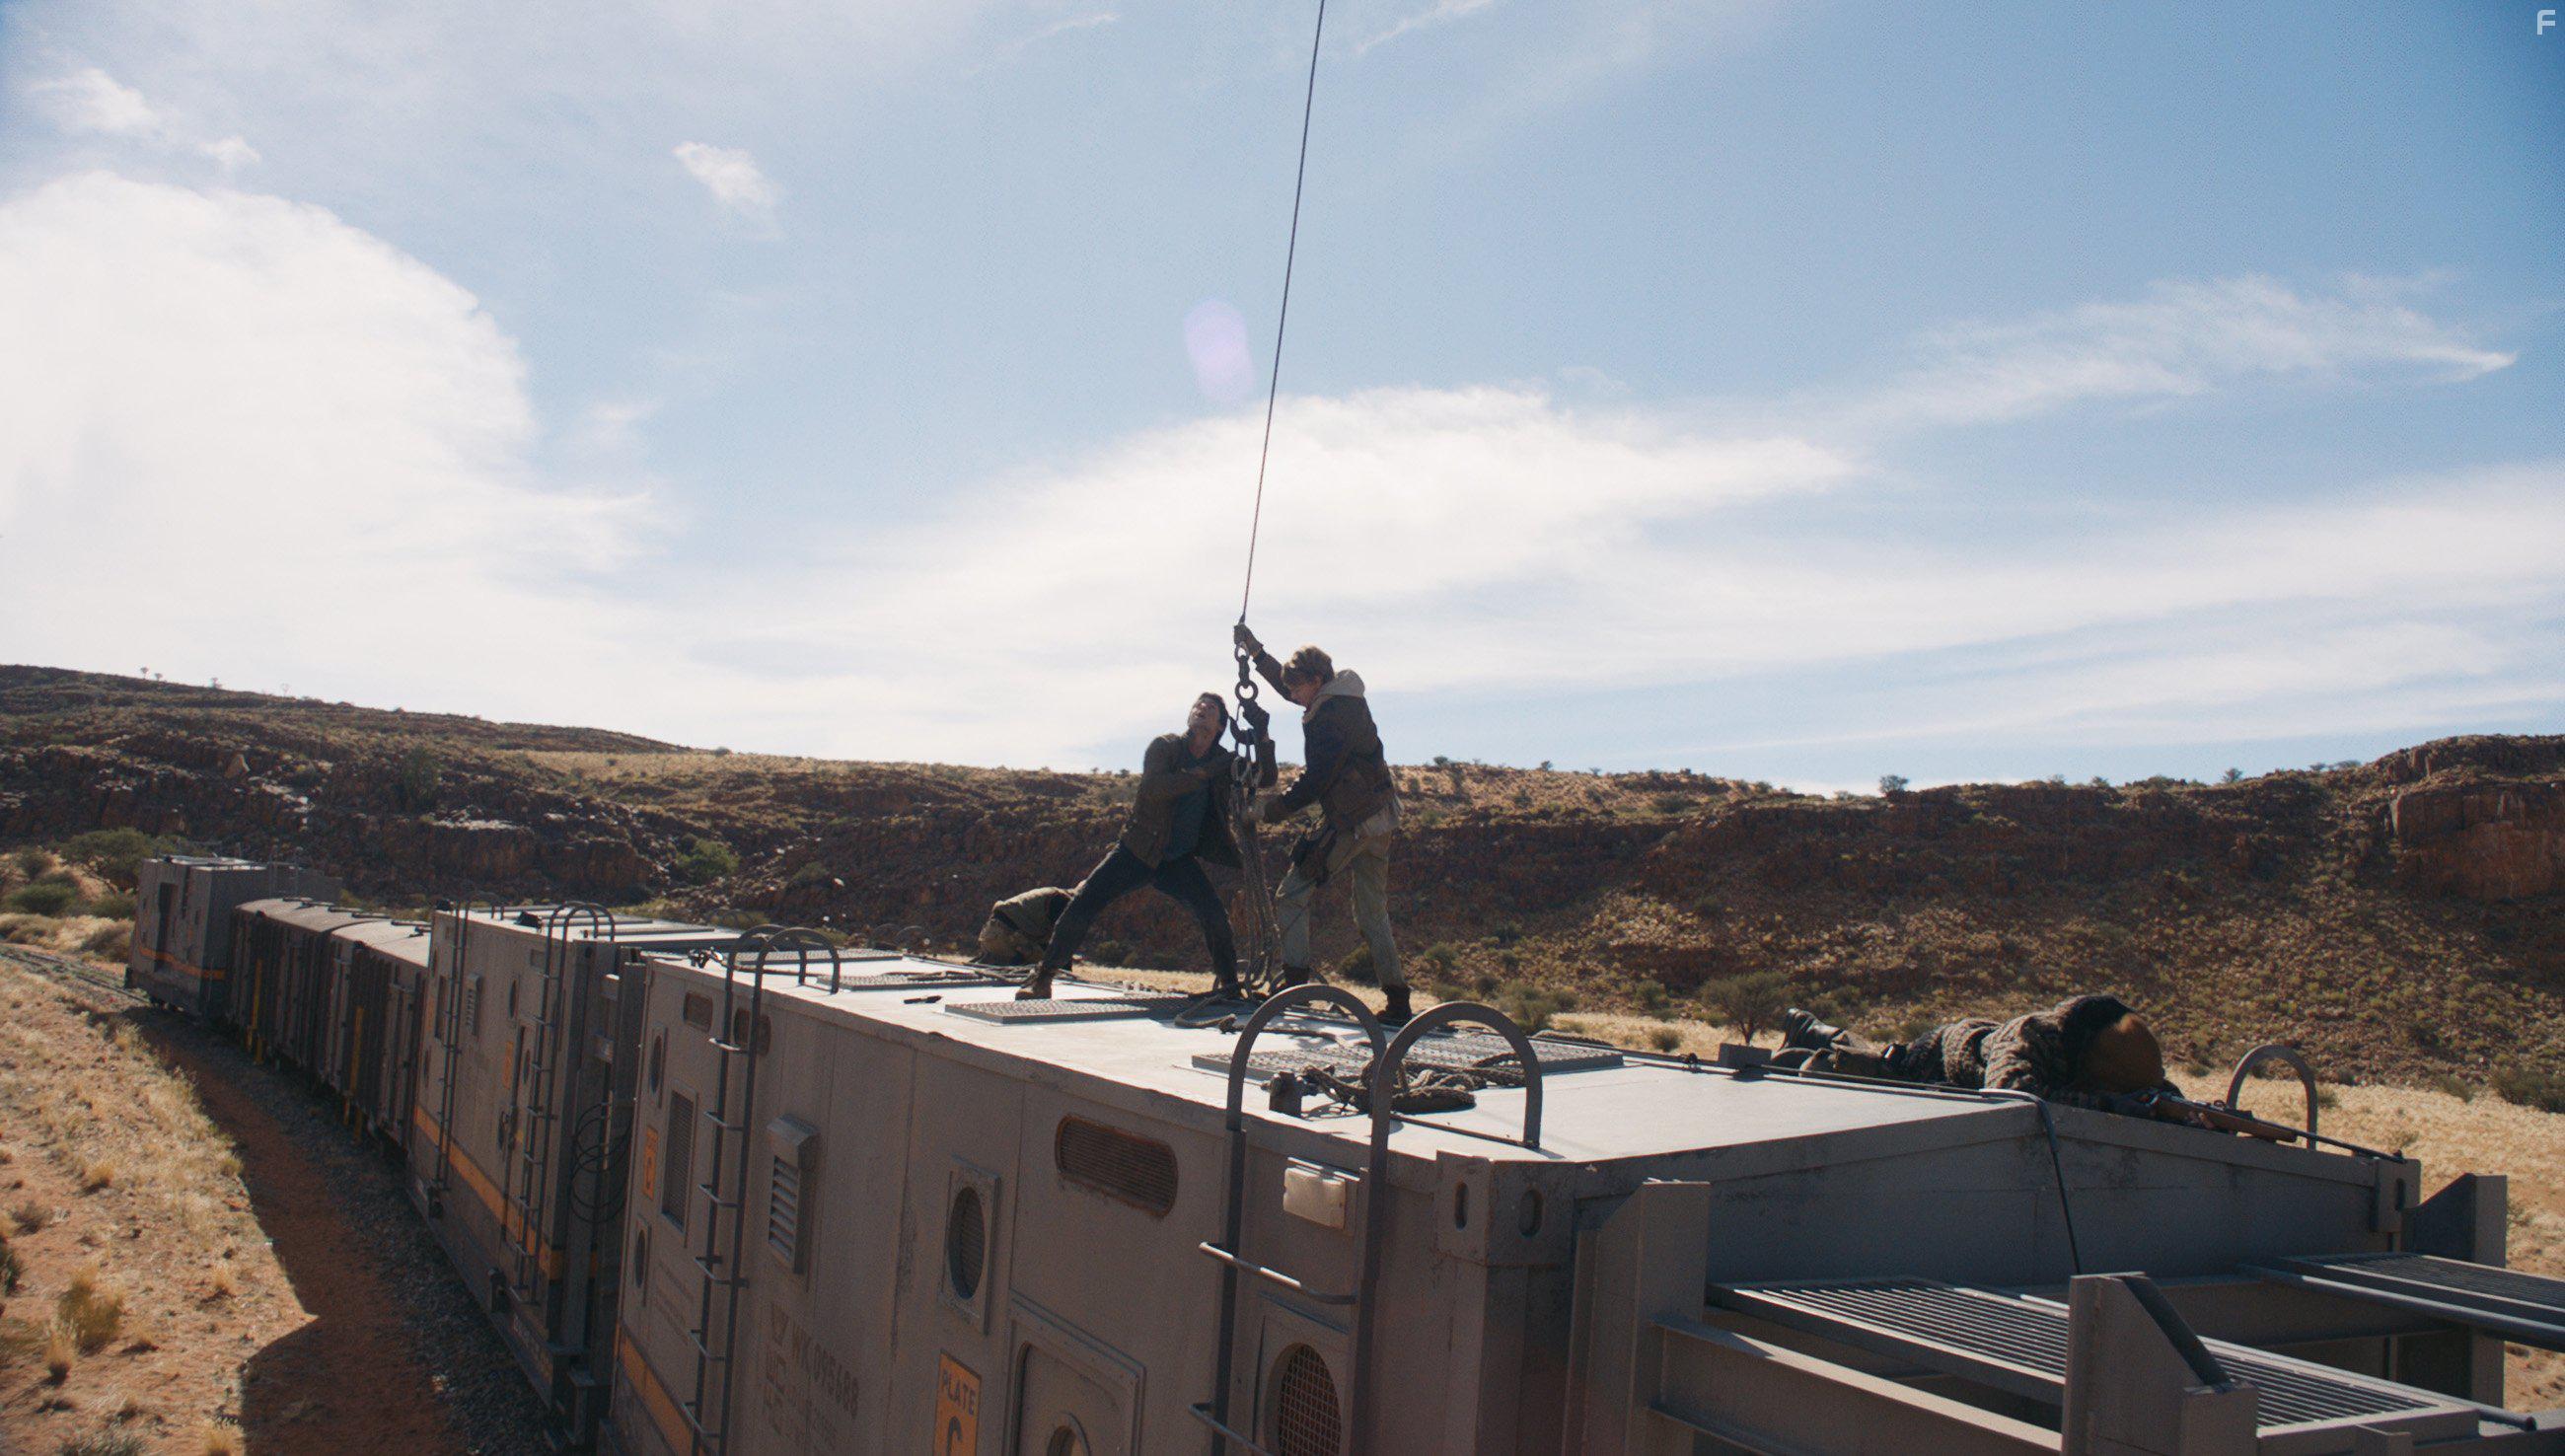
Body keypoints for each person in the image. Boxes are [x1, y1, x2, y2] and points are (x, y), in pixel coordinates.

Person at [1776, 994, 2285, 1137]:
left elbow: (2153, 1092)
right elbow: (2011, 1098)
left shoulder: (2109, 1051)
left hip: (1978, 1054)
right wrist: (2116, 1107)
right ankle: (1811, 1031)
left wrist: (2197, 1115)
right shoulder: (2030, 1037)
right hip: (1940, 1060)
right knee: (1875, 1062)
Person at [1231, 625, 1408, 1024]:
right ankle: (1399, 1001)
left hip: (1352, 821)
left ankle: (1295, 992)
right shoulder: (1341, 695)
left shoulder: (1328, 717)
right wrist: (1256, 652)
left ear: (1315, 681)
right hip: (1381, 818)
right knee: (1371, 912)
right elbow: (1286, 686)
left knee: (1291, 894)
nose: (1293, 696)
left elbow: (1316, 781)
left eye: (1298, 688)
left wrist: (1267, 810)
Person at [1018, 692, 1243, 1000]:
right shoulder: (1165, 747)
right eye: (1198, 705)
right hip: (1137, 849)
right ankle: (1043, 977)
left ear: (1220, 726)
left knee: (1214, 915)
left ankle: (1230, 987)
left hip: (1177, 860)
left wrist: (1262, 734)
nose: (1202, 708)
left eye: (1211, 707)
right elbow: (1154, 788)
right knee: (1084, 902)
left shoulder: (1222, 761)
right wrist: (1204, 773)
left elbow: (1264, 777)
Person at [976, 885, 1072, 966]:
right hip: (1006, 937)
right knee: (1046, 966)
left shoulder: (1053, 895)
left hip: (990, 934)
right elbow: (1062, 944)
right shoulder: (1063, 901)